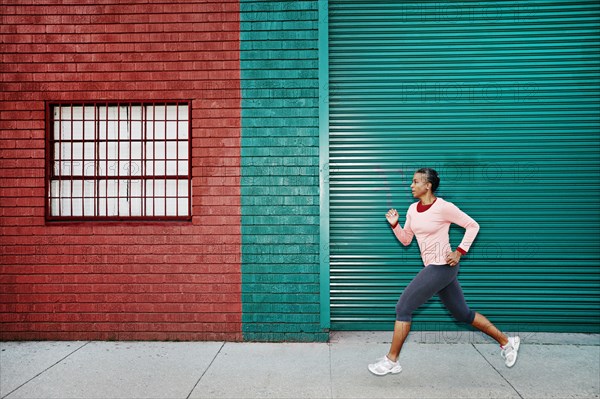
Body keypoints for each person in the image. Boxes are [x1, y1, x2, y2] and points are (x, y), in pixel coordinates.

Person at [368, 168, 520, 376]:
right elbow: (406, 240)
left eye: (415, 182)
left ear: (428, 185)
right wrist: (395, 225)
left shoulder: (444, 207)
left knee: (403, 306)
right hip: (434, 268)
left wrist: (459, 251)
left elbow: (472, 226)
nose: (411, 185)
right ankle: (507, 341)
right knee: (462, 314)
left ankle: (391, 360)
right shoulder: (412, 209)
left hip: (442, 266)